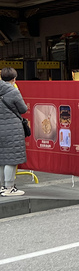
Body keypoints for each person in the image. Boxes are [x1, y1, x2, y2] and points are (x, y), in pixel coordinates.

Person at [0, 67, 28, 197]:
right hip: (12, 128)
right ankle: (9, 187)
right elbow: (23, 109)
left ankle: (1, 186)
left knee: (1, 158)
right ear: (14, 78)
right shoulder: (13, 91)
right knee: (11, 159)